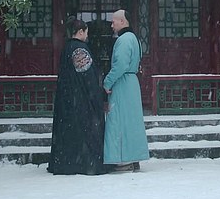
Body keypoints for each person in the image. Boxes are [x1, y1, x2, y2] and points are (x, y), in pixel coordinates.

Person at [48, 17, 107, 175]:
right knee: (86, 131)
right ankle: (86, 164)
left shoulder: (67, 47)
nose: (87, 36)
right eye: (86, 32)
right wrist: (97, 94)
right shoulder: (80, 50)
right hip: (81, 99)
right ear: (80, 32)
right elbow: (87, 76)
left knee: (68, 132)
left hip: (68, 98)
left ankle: (67, 163)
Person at [103, 9, 150, 171]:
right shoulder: (134, 38)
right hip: (131, 82)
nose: (111, 25)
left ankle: (123, 160)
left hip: (122, 83)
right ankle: (134, 156)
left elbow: (120, 65)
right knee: (132, 121)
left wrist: (107, 82)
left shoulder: (123, 40)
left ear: (122, 22)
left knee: (119, 120)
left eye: (114, 21)